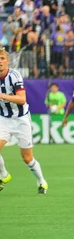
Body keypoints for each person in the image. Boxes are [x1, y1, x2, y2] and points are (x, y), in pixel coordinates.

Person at [0, 47, 48, 194]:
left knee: (27, 158)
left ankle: (41, 181)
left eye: (2, 59)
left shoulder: (14, 76)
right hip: (3, 118)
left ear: (8, 61)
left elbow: (22, 99)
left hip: (21, 119)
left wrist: (2, 96)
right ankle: (4, 175)